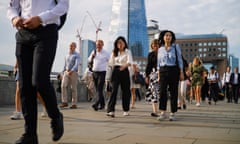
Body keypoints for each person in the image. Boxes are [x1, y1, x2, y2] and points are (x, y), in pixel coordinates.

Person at [7, 0, 69, 143]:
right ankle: (30, 135)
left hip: (46, 31)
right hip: (23, 34)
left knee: (39, 81)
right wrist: (14, 18)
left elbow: (63, 6)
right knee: (24, 86)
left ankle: (55, 116)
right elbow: (12, 7)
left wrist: (41, 18)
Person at [157, 30, 184, 121]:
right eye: (166, 35)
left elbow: (180, 60)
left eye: (170, 35)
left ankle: (173, 113)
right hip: (163, 71)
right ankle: (163, 112)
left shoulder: (176, 47)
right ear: (163, 37)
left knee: (173, 92)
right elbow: (158, 63)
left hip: (173, 70)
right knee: (162, 92)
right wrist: (158, 74)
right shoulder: (160, 49)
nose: (168, 37)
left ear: (172, 38)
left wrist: (181, 72)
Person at [106, 36, 133, 117]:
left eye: (121, 42)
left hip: (124, 71)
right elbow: (110, 64)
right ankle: (111, 110)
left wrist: (124, 66)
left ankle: (126, 110)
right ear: (116, 44)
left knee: (126, 91)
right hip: (115, 71)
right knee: (113, 91)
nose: (120, 44)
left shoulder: (127, 51)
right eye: (118, 43)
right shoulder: (114, 52)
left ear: (124, 43)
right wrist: (107, 77)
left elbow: (130, 62)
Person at [88, 40, 110, 111]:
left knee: (100, 89)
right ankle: (103, 104)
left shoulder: (106, 53)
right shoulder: (94, 51)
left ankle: (96, 104)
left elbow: (110, 62)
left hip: (102, 73)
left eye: (100, 44)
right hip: (95, 73)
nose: (98, 46)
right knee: (98, 90)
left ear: (102, 45)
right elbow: (89, 60)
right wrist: (92, 57)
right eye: (97, 44)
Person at [60, 42, 80, 109]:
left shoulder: (77, 55)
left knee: (73, 88)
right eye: (70, 46)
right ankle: (64, 102)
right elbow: (65, 65)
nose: (71, 47)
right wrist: (62, 73)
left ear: (75, 47)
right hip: (66, 72)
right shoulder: (66, 55)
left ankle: (74, 104)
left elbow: (77, 64)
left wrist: (72, 70)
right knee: (63, 85)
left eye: (72, 46)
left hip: (73, 72)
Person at [145, 39, 160, 117]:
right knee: (154, 92)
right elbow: (148, 66)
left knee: (160, 93)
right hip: (153, 75)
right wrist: (146, 76)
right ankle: (155, 111)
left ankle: (162, 110)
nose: (155, 47)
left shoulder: (163, 54)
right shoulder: (150, 55)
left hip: (163, 75)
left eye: (156, 45)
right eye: (153, 46)